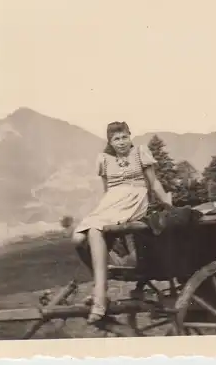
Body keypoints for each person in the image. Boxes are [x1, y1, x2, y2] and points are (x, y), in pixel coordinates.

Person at [71, 121, 172, 324]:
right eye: (116, 139)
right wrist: (105, 209)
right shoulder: (104, 159)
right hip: (112, 201)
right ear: (110, 141)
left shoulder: (140, 152)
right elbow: (107, 190)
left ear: (130, 136)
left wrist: (167, 202)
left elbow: (154, 182)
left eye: (124, 137)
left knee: (95, 231)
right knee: (76, 238)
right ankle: (101, 284)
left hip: (135, 197)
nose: (122, 142)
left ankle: (100, 296)